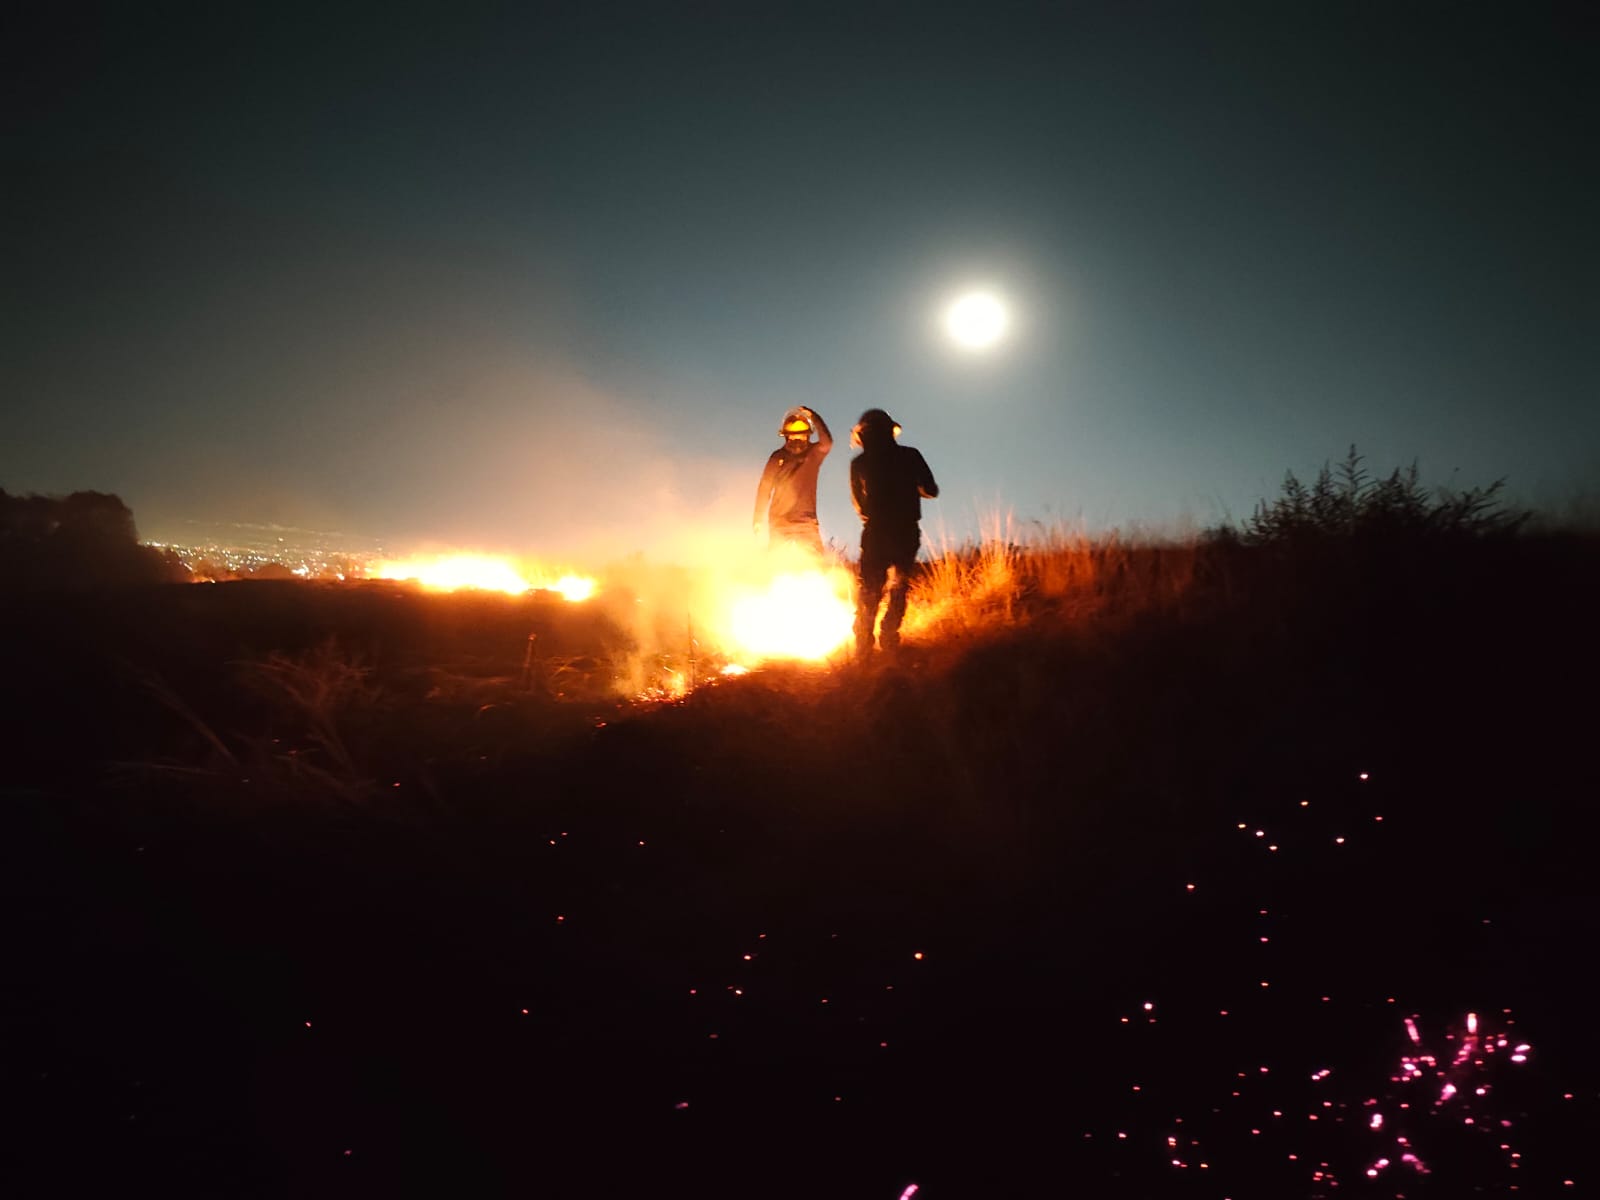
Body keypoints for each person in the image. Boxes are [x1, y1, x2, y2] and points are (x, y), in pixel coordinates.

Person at [849, 408, 938, 656]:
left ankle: (863, 649)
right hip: (905, 532)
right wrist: (911, 487)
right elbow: (931, 489)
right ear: (890, 431)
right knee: (898, 586)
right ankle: (889, 642)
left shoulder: (859, 463)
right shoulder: (910, 456)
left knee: (870, 589)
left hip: (876, 532)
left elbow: (860, 506)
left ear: (863, 435)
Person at [752, 406, 833, 556]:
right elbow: (765, 488)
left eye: (801, 436)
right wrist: (758, 518)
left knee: (817, 562)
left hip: (806, 521)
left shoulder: (813, 455)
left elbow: (827, 442)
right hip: (780, 520)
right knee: (775, 562)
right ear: (786, 437)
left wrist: (813, 416)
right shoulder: (777, 458)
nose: (797, 441)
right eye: (793, 437)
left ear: (808, 436)